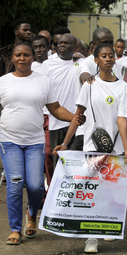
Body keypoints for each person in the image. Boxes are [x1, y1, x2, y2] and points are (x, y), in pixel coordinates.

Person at [54, 43, 127, 253]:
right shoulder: (89, 85)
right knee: (94, 192)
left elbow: (122, 120)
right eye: (103, 56)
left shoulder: (123, 87)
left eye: (110, 56)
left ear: (115, 60)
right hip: (92, 147)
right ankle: (91, 238)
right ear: (96, 60)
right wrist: (65, 143)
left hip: (115, 149)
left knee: (110, 193)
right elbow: (78, 117)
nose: (108, 59)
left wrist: (126, 150)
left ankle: (106, 227)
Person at [0, 42, 82, 245]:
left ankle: (32, 215)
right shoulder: (3, 81)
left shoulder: (43, 81)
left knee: (36, 186)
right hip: (9, 140)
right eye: (17, 55)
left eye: (26, 55)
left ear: (32, 58)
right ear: (12, 58)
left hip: (35, 141)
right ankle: (15, 229)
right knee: (15, 184)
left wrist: (75, 117)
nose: (21, 58)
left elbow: (55, 108)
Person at [40, 33, 82, 166]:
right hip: (56, 120)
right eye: (60, 43)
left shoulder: (82, 63)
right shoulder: (48, 64)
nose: (62, 45)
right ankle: (53, 185)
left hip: (79, 121)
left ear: (75, 47)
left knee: (76, 161)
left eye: (66, 43)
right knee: (56, 159)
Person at [31, 35, 54, 195]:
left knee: (48, 154)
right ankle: (39, 193)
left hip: (51, 115)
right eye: (36, 47)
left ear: (48, 47)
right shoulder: (29, 66)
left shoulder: (53, 63)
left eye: (42, 47)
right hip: (34, 115)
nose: (39, 50)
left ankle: (51, 190)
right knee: (36, 157)